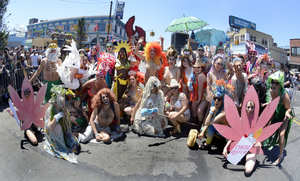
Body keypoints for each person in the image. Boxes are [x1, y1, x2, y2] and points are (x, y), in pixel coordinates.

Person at [222, 100, 262, 174]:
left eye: (252, 107)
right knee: (228, 133)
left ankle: (246, 157)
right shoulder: (240, 120)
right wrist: (226, 147)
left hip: (251, 148)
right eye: (248, 107)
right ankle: (240, 155)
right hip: (241, 145)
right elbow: (233, 135)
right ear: (245, 108)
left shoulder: (258, 120)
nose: (250, 110)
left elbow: (261, 137)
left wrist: (258, 144)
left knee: (247, 171)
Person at [44, 85, 80, 163]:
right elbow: (49, 128)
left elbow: (68, 127)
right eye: (61, 103)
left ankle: (65, 141)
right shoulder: (50, 111)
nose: (63, 105)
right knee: (57, 126)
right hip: (53, 135)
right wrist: (56, 117)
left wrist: (69, 138)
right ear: (55, 103)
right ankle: (59, 144)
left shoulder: (64, 110)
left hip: (64, 133)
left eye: (63, 102)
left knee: (74, 143)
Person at [263, 71, 292, 166]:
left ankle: (280, 155)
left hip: (284, 115)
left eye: (276, 83)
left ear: (280, 84)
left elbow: (289, 108)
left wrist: (287, 113)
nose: (274, 85)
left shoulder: (284, 95)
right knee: (265, 125)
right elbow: (273, 103)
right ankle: (260, 142)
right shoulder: (272, 92)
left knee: (281, 135)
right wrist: (268, 104)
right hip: (276, 112)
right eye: (272, 82)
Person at [198, 80, 234, 150]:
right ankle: (215, 140)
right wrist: (202, 132)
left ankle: (208, 144)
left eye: (219, 99)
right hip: (218, 129)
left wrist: (211, 112)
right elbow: (207, 123)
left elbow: (208, 123)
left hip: (226, 133)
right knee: (203, 129)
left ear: (222, 100)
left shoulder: (223, 112)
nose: (216, 101)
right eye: (215, 99)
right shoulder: (214, 106)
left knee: (209, 128)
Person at [191, 59, 208, 129]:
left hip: (204, 96)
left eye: (198, 67)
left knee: (199, 111)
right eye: (195, 67)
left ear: (201, 68)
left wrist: (198, 100)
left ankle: (200, 126)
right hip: (197, 95)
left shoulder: (201, 75)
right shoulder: (195, 75)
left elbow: (200, 90)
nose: (197, 69)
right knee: (193, 108)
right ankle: (195, 123)